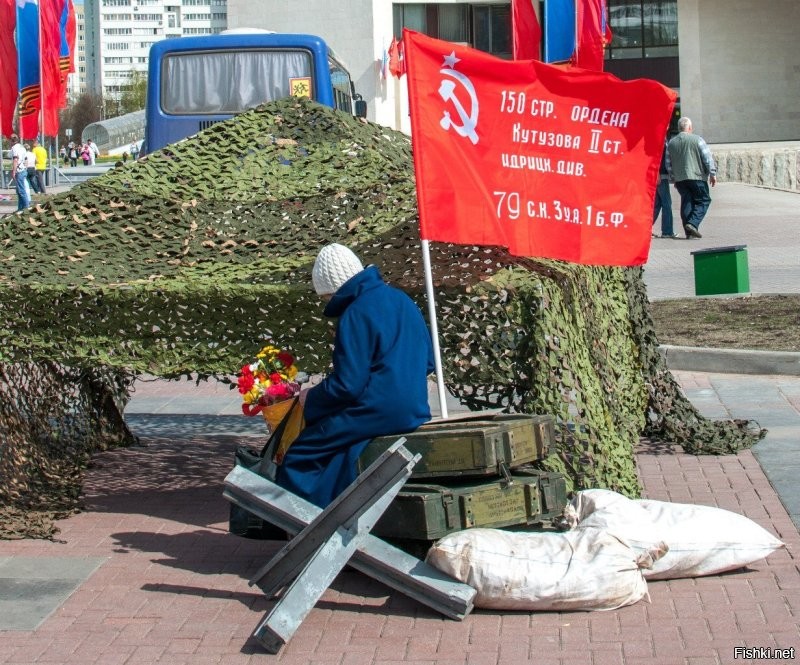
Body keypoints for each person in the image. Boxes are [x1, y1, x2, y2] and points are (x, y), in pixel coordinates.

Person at [275, 243, 435, 508]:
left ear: (333, 289)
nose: (327, 303)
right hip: (416, 409)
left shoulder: (355, 313)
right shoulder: (402, 300)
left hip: (377, 410)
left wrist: (311, 397)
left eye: (326, 298)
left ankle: (309, 528)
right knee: (341, 446)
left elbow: (348, 386)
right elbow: (428, 362)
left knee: (302, 453)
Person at [667, 116, 716, 239]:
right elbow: (707, 157)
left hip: (680, 179)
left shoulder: (671, 143)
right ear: (689, 128)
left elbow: (668, 163)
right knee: (704, 200)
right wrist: (712, 173)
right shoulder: (697, 140)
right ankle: (692, 224)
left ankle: (689, 233)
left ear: (679, 128)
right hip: (697, 176)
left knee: (687, 202)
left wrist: (673, 177)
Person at [652, 138, 676, 238]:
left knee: (657, 204)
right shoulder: (658, 139)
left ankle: (646, 228)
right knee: (667, 203)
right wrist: (657, 173)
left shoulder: (662, 138)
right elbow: (654, 156)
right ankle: (667, 231)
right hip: (661, 176)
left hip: (661, 175)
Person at [10, 134, 31, 211]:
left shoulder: (14, 148)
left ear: (11, 141)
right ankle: (20, 208)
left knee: (21, 191)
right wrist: (25, 168)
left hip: (19, 171)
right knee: (20, 191)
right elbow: (26, 159)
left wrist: (14, 171)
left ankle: (26, 208)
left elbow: (15, 160)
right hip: (23, 170)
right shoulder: (22, 147)